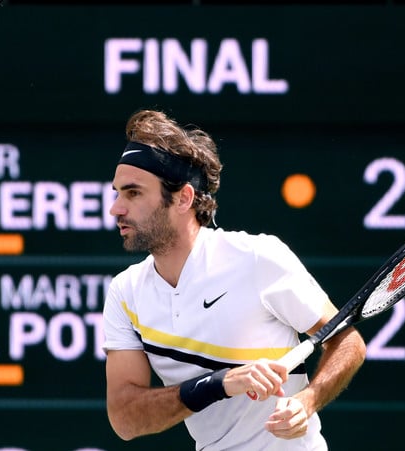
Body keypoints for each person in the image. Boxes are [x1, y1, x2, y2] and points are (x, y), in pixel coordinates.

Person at [102, 109, 366, 450]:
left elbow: (346, 341)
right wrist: (219, 383)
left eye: (133, 193)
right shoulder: (125, 293)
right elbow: (126, 419)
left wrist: (307, 401)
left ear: (183, 198)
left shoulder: (257, 258)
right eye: (118, 192)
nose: (116, 208)